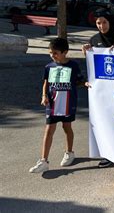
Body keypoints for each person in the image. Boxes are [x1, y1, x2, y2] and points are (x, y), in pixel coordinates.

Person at [81, 10, 114, 169]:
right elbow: (92, 65)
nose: (101, 26)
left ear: (110, 22)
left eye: (104, 22)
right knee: (106, 122)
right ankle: (108, 154)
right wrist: (87, 55)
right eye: (98, 23)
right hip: (103, 91)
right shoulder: (94, 40)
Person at [29, 38, 86, 173]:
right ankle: (43, 161)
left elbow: (79, 81)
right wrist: (44, 96)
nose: (52, 56)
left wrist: (85, 84)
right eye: (50, 53)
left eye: (55, 53)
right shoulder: (49, 67)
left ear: (65, 52)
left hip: (68, 103)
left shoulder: (73, 65)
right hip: (52, 103)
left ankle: (69, 152)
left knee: (67, 128)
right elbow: (46, 82)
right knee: (48, 130)